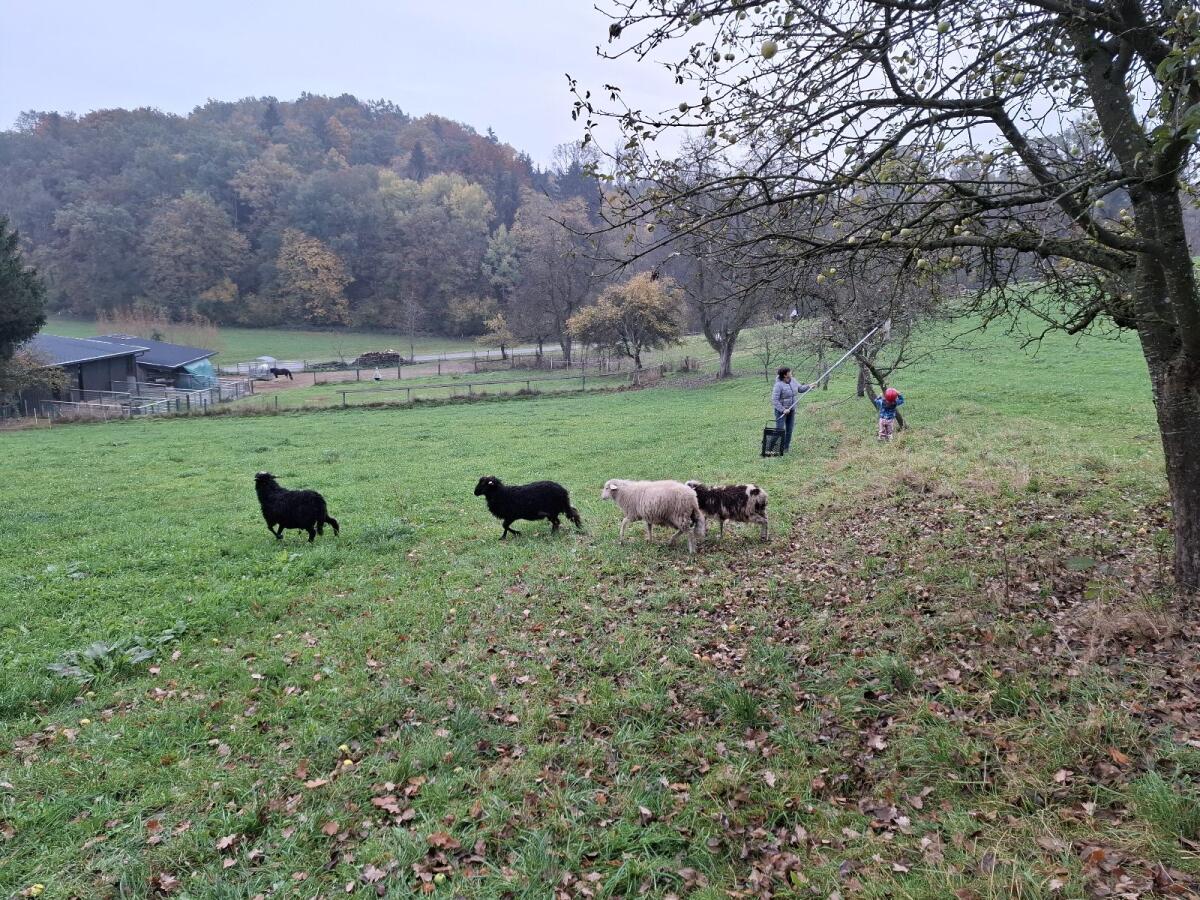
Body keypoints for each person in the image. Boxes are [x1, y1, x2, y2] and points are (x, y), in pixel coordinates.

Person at [771, 367, 810, 453]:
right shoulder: (778, 385)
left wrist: (809, 386)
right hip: (781, 411)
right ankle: (773, 447)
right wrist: (783, 409)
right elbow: (774, 400)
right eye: (789, 372)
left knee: (789, 429)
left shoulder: (793, 380)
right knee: (780, 429)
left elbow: (800, 389)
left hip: (791, 409)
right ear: (785, 375)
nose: (791, 372)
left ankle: (785, 448)